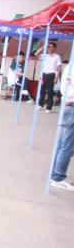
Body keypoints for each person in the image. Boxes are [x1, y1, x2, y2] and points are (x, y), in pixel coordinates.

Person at [50, 60, 74, 191]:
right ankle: (58, 177)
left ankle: (55, 174)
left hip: (67, 105)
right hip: (72, 106)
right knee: (67, 147)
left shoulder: (70, 66)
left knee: (62, 145)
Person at [35, 41, 62, 113]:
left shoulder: (57, 56)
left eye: (51, 47)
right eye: (48, 47)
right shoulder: (45, 55)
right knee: (42, 90)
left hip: (52, 75)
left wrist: (56, 78)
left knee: (50, 91)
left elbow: (59, 68)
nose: (49, 48)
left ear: (54, 48)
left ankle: (49, 107)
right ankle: (40, 104)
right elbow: (36, 54)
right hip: (44, 74)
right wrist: (44, 47)